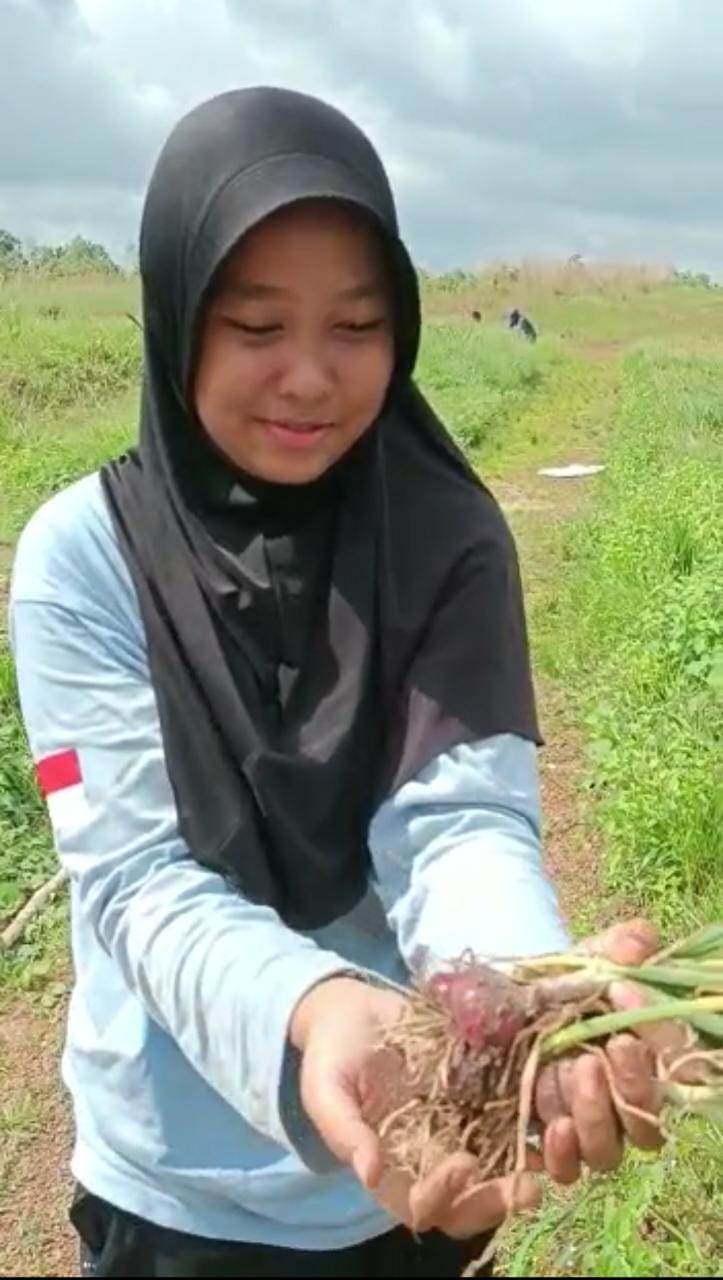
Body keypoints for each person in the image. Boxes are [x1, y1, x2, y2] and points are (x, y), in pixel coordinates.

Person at [10, 88, 671, 1278]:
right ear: (176, 317)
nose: (310, 377)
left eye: (358, 326)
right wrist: (313, 1010)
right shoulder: (82, 558)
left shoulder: (447, 537)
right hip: (174, 1184)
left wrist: (528, 1004)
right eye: (258, 328)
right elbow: (135, 879)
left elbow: (460, 815)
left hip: (412, 1154)